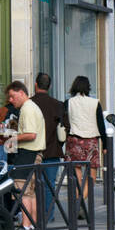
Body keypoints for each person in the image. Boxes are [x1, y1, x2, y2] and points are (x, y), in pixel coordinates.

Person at [5, 81, 46, 230]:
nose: (10, 100)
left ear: (21, 92)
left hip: (28, 153)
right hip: (35, 153)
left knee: (21, 190)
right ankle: (33, 225)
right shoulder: (31, 107)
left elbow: (31, 134)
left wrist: (13, 139)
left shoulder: (27, 109)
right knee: (30, 192)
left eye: (12, 96)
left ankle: (26, 225)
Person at [30, 72, 67, 216]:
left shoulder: (29, 103)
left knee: (31, 186)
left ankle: (33, 215)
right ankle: (48, 215)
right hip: (52, 150)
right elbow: (66, 128)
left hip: (32, 150)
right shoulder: (58, 104)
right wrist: (58, 143)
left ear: (35, 84)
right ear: (49, 86)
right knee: (49, 185)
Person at [65, 75, 107, 184]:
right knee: (91, 175)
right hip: (91, 141)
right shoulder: (95, 103)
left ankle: (79, 198)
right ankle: (82, 198)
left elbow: (65, 123)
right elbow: (101, 125)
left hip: (74, 140)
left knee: (76, 174)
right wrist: (105, 145)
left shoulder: (69, 102)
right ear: (88, 87)